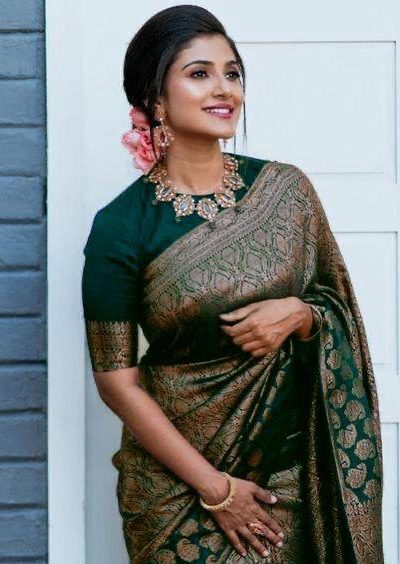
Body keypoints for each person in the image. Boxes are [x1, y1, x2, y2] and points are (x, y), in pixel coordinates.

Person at [81, 5, 384, 563]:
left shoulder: (286, 191)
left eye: (233, 73)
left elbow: (335, 302)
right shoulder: (121, 226)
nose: (224, 89)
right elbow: (116, 382)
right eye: (199, 73)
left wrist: (302, 314)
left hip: (287, 477)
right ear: (155, 97)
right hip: (176, 491)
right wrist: (217, 490)